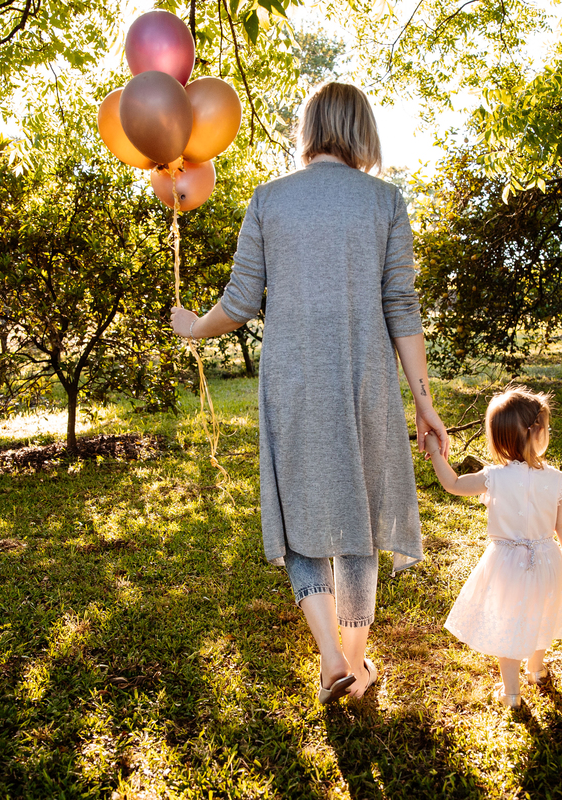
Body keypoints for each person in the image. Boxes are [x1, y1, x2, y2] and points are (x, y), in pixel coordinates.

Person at [170, 82, 450, 703]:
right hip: (366, 380)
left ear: (309, 127)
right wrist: (424, 400)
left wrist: (193, 325)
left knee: (300, 515)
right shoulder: (386, 201)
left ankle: (331, 659)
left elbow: (239, 304)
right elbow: (401, 306)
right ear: (363, 130)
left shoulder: (268, 199)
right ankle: (357, 661)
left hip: (293, 381)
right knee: (358, 512)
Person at [423, 387, 562, 708]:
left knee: (509, 622)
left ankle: (512, 694)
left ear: (499, 438)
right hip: (546, 560)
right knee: (540, 615)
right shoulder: (555, 479)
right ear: (539, 433)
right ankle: (536, 668)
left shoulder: (493, 477)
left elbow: (452, 484)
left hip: (507, 564)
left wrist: (437, 452)